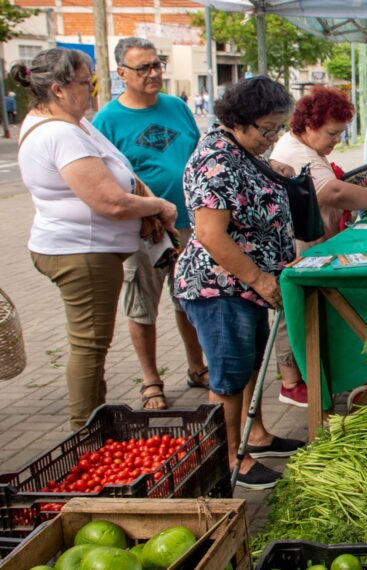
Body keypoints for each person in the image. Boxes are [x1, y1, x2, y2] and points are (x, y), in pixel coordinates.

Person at [12, 48, 178, 429]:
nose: (93, 91)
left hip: (86, 248)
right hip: (81, 253)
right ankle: (84, 430)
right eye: (86, 84)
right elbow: (110, 201)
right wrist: (158, 206)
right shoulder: (59, 133)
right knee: (90, 346)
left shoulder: (68, 122)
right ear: (57, 89)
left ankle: (94, 421)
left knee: (93, 344)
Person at [174, 76, 303, 489]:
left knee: (249, 366)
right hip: (221, 287)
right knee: (229, 376)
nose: (274, 136)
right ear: (240, 120)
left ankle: (257, 435)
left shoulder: (240, 150)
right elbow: (212, 235)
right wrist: (260, 279)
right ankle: (229, 457)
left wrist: (273, 168)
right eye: (268, 129)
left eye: (278, 128)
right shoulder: (216, 157)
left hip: (243, 286)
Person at [269, 85, 367, 406]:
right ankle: (291, 382)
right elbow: (333, 194)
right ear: (308, 125)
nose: (336, 141)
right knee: (293, 311)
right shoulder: (294, 150)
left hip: (315, 242)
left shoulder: (310, 150)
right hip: (298, 247)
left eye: (341, 134)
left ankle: (323, 374)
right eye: (332, 133)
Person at [93, 37, 207, 410]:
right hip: (143, 229)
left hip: (189, 223)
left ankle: (197, 367)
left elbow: (197, 155)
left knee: (189, 299)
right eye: (143, 68)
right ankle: (150, 380)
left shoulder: (177, 107)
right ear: (122, 73)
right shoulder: (106, 120)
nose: (154, 73)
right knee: (143, 304)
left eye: (157, 65)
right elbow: (102, 180)